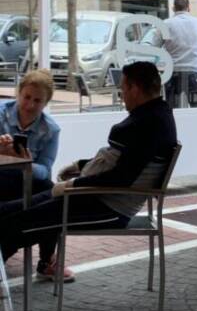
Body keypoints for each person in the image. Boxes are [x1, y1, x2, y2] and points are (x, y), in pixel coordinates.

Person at [0, 62, 178, 273]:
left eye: (123, 89)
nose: (122, 95)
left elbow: (122, 177)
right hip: (91, 196)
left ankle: (26, 270)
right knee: (11, 213)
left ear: (134, 89)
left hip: (104, 204)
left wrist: (72, 183)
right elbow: (124, 162)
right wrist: (80, 167)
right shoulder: (156, 116)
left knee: (15, 222)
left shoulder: (147, 124)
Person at [0, 69, 72, 281]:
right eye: (27, 97)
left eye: (38, 101)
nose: (30, 105)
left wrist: (27, 162)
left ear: (46, 103)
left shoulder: (51, 129)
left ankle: (46, 260)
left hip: (26, 179)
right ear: (19, 94)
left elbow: (46, 168)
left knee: (55, 193)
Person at [149, 0, 197, 108]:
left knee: (172, 110)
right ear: (189, 8)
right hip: (195, 70)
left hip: (173, 71)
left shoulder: (166, 24)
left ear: (173, 8)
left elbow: (154, 48)